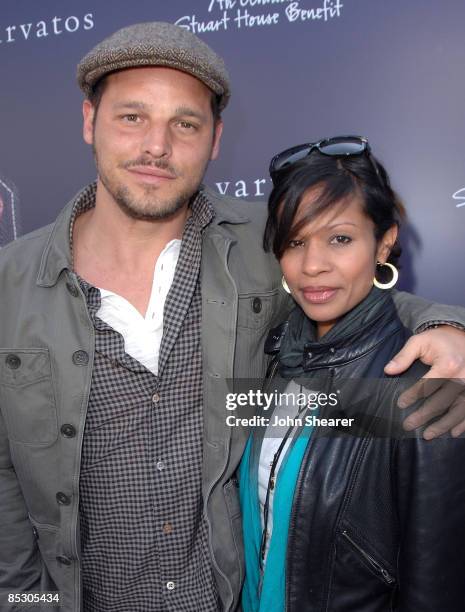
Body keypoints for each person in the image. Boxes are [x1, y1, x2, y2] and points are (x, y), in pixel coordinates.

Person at [0, 22, 464, 612]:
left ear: (215, 139)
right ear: (90, 121)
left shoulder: (261, 244)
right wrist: (24, 605)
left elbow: (353, 290)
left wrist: (447, 326)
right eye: (132, 117)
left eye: (185, 124)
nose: (157, 147)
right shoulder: (9, 284)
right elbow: (4, 487)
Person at [239, 136, 465, 611]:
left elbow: (436, 582)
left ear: (384, 241)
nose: (313, 265)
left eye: (339, 238)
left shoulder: (425, 379)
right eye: (295, 241)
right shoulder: (279, 354)